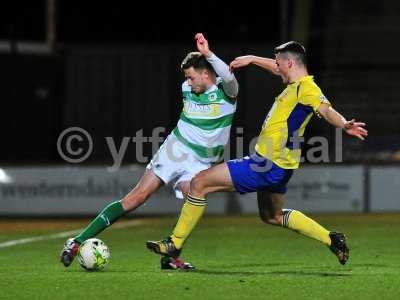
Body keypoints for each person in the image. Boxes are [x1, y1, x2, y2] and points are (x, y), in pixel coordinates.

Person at [146, 41, 368, 266]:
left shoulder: (306, 89)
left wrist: (344, 125)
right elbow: (278, 69)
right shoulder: (295, 84)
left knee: (199, 182)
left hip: (267, 164)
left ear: (289, 63)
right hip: (280, 166)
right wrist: (252, 59)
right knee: (273, 216)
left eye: (279, 63)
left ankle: (174, 243)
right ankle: (332, 239)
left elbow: (326, 110)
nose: (276, 67)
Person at [59, 33, 239, 270]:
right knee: (136, 198)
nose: (188, 81)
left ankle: (171, 256)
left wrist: (208, 54)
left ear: (206, 74)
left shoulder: (228, 93)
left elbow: (227, 75)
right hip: (175, 150)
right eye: (187, 77)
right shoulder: (187, 87)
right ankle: (76, 241)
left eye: (192, 76)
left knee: (194, 199)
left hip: (201, 162)